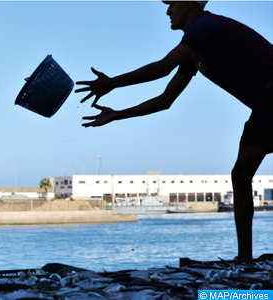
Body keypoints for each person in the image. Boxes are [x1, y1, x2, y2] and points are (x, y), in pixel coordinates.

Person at [75, 1, 273, 260]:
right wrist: (117, 115)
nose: (168, 11)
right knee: (241, 174)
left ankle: (245, 258)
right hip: (265, 108)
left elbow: (162, 67)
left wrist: (112, 83)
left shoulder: (206, 24)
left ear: (189, 4)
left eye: (172, 4)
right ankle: (244, 259)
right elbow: (165, 100)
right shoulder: (195, 50)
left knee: (241, 173)